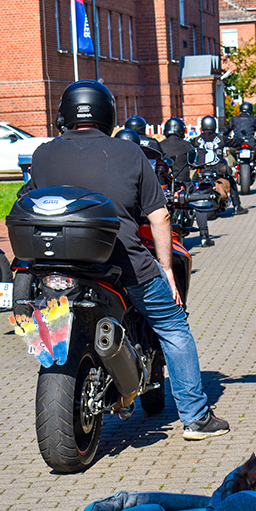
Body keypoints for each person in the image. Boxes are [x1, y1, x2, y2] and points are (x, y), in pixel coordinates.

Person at [30, 80, 229, 440]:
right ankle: (196, 418)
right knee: (172, 325)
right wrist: (166, 270)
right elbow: (159, 217)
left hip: (57, 267)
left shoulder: (43, 154)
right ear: (108, 113)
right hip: (121, 265)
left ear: (65, 113)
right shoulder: (129, 154)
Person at [160, 117, 214, 247]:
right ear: (181, 130)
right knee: (199, 202)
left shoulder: (160, 145)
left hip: (165, 186)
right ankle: (204, 237)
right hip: (184, 185)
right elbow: (197, 161)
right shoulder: (187, 145)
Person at [191, 115, 249, 216]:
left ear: (202, 126)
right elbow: (233, 142)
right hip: (218, 168)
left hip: (202, 169)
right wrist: (242, 140)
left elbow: (188, 147)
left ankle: (189, 208)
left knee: (192, 184)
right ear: (214, 125)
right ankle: (237, 206)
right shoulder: (220, 138)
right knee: (232, 183)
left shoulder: (197, 140)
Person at [224, 102, 256, 178]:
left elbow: (226, 131)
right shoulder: (254, 120)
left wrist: (225, 138)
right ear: (250, 110)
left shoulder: (233, 119)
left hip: (237, 144)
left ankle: (232, 167)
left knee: (231, 152)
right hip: (250, 143)